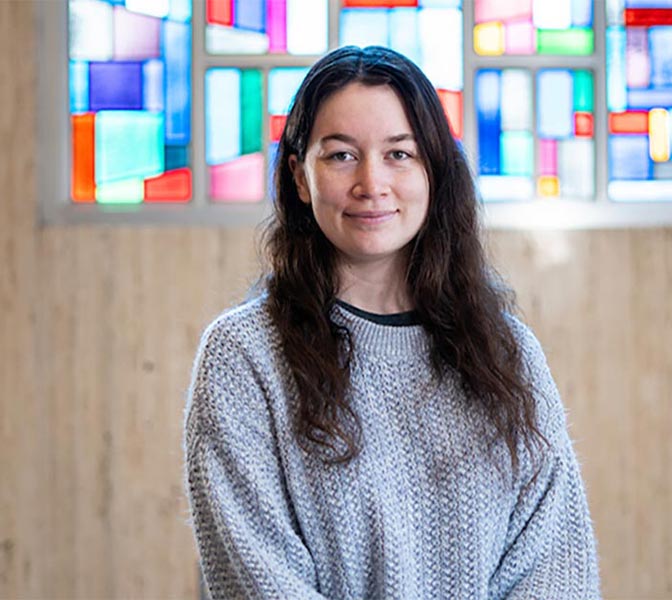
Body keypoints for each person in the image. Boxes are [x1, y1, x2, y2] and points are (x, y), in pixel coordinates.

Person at [183, 45, 601, 599]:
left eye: (399, 154)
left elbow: (555, 568)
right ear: (299, 177)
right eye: (340, 156)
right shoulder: (243, 357)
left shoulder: (507, 351)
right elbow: (258, 581)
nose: (371, 183)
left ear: (434, 172)